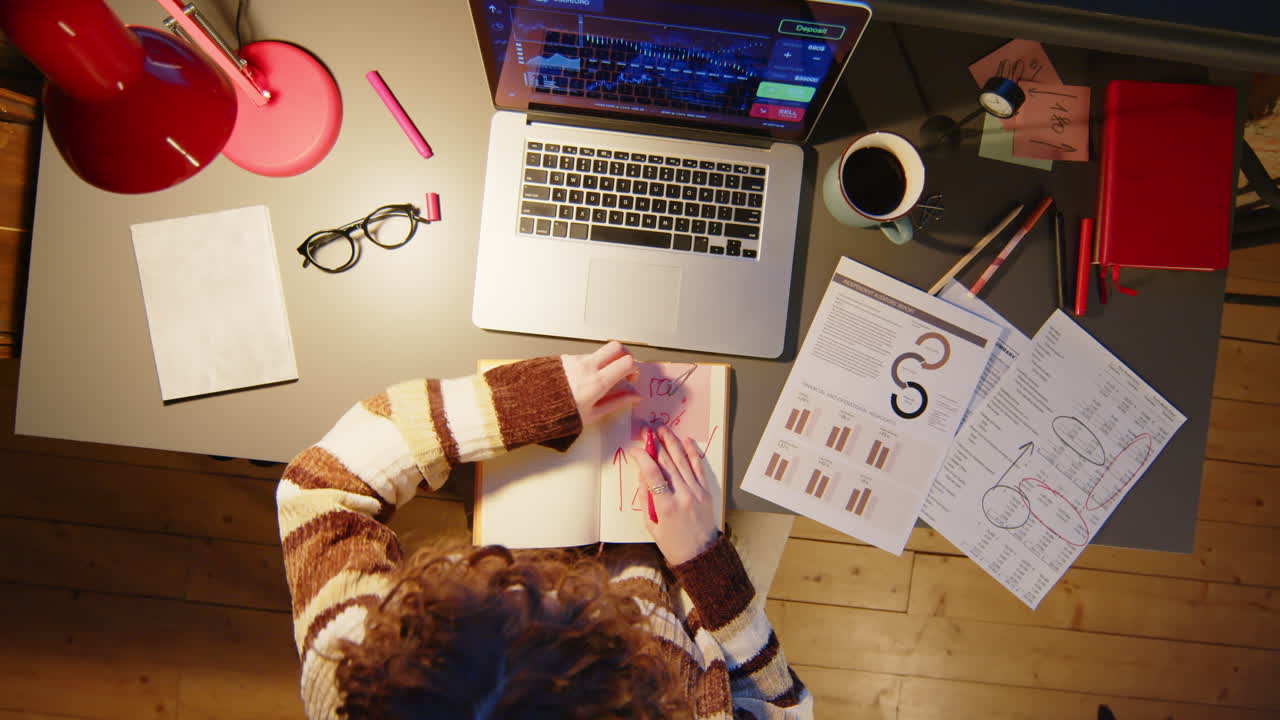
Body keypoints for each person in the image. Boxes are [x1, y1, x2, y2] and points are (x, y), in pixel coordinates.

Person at [277, 341, 812, 719]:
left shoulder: (360, 684)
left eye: (501, 597)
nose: (558, 589)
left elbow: (318, 487)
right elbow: (783, 707)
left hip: (535, 528)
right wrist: (705, 562)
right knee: (771, 486)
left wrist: (521, 403)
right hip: (688, 592)